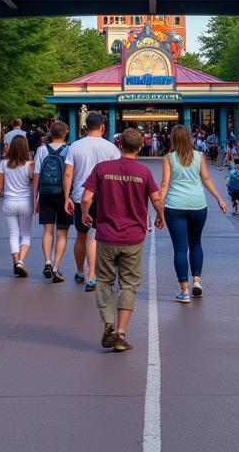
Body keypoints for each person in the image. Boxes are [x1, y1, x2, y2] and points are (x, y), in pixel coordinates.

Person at [81, 128, 165, 353]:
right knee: (128, 284)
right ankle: (121, 332)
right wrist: (161, 215)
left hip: (106, 235)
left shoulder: (102, 169)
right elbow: (156, 198)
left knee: (104, 281)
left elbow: (87, 196)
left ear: (119, 146)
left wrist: (85, 213)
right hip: (133, 237)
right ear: (139, 148)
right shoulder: (144, 172)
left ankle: (108, 320)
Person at [160, 125, 228, 303]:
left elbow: (165, 184)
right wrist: (219, 198)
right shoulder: (199, 156)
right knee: (196, 243)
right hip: (198, 205)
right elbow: (206, 178)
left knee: (180, 248)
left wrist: (158, 207)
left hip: (175, 206)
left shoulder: (168, 158)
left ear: (173, 139)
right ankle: (197, 281)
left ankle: (184, 291)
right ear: (190, 138)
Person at [63, 111, 119, 291]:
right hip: (104, 196)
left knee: (81, 235)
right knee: (94, 236)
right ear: (103, 127)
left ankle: (80, 271)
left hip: (80, 195)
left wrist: (67, 197)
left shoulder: (75, 146)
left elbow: (68, 173)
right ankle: (92, 275)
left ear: (86, 127)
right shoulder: (111, 148)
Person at [32, 120, 72, 283]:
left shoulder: (42, 150)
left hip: (46, 194)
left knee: (47, 230)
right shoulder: (69, 150)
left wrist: (35, 197)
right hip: (63, 194)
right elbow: (70, 173)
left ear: (51, 133)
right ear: (65, 133)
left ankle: (47, 261)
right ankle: (56, 267)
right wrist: (69, 197)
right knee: (62, 233)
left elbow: (36, 175)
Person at [0, 135, 34, 277]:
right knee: (26, 235)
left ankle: (16, 262)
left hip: (9, 202)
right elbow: (33, 183)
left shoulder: (4, 164)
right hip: (25, 202)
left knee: (13, 234)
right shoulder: (30, 165)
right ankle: (21, 261)